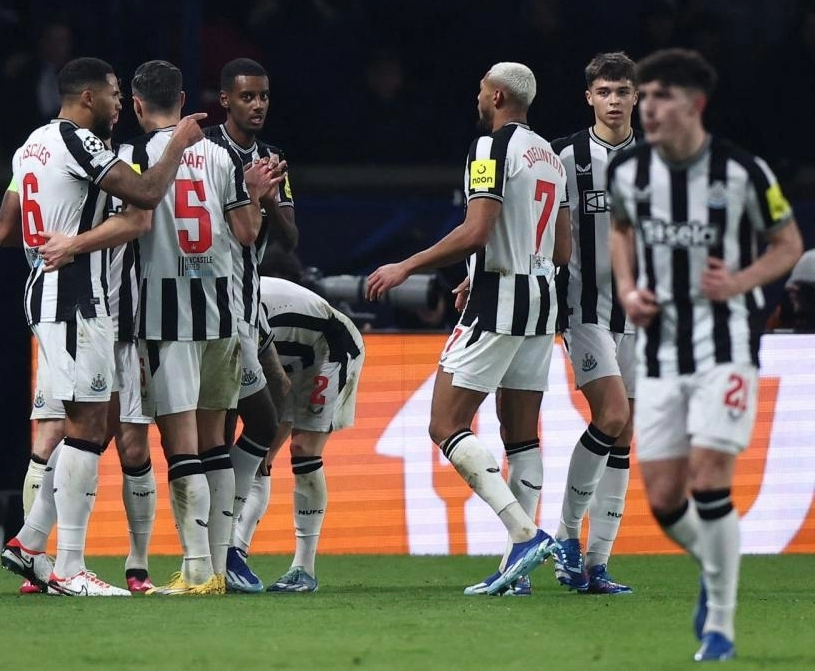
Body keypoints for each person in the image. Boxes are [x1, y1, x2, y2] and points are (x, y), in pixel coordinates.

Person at [37, 60, 283, 596]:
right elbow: (246, 232)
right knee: (217, 442)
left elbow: (128, 224)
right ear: (184, 97)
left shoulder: (131, 157)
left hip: (163, 319)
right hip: (222, 311)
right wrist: (256, 196)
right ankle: (218, 568)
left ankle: (196, 572)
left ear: (141, 106)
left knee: (183, 449)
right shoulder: (222, 154)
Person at [608, 48, 803, 662]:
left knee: (709, 481)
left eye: (659, 95)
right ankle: (714, 569)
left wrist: (739, 283)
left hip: (727, 346)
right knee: (664, 500)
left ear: (694, 104)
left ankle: (720, 623)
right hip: (660, 351)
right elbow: (619, 229)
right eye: (645, 95)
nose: (646, 107)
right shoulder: (630, 173)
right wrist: (627, 289)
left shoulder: (743, 172)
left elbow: (788, 243)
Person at [0, 57, 208, 597]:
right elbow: (148, 196)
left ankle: (28, 541)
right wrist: (178, 144)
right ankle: (69, 566)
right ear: (88, 97)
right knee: (88, 429)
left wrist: (63, 229)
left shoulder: (31, 146)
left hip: (55, 298)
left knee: (98, 421)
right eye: (113, 94)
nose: (120, 104)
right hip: (76, 299)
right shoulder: (81, 143)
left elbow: (4, 230)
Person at [366, 62, 568, 596]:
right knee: (522, 434)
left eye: (481, 89)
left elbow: (477, 231)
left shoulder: (490, 148)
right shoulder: (552, 157)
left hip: (501, 299)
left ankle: (523, 535)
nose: (477, 97)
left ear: (497, 95)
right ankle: (516, 569)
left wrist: (407, 265)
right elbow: (563, 248)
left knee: (444, 423)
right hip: (543, 301)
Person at [546, 51, 642, 595]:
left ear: (636, 96)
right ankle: (564, 536)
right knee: (611, 414)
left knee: (625, 433)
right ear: (589, 97)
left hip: (643, 316)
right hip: (585, 311)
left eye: (621, 92)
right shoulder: (564, 157)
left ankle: (596, 564)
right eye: (603, 92)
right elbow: (526, 220)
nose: (612, 101)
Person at [202, 58, 297, 593]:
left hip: (249, 302)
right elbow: (230, 231)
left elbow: (290, 238)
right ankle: (222, 544)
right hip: (216, 305)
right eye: (247, 97)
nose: (258, 105)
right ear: (225, 100)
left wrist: (271, 197)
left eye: (263, 96)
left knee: (276, 404)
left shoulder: (273, 160)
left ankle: (227, 538)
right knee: (253, 422)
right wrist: (248, 194)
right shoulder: (205, 155)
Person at [233, 276, 364, 592]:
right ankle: (235, 551)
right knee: (259, 457)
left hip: (330, 347)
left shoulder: (236, 307)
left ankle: (304, 568)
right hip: (284, 354)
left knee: (304, 448)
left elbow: (280, 385)